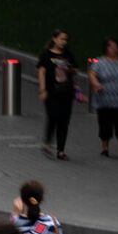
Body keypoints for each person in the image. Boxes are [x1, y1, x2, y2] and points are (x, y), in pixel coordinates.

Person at [89, 38, 118, 158]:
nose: (114, 49)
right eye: (111, 46)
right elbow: (92, 74)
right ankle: (105, 148)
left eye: (115, 46)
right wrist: (96, 84)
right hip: (105, 100)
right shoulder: (99, 62)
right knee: (105, 125)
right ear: (106, 48)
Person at [37, 29, 78, 161]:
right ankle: (48, 143)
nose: (63, 42)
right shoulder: (46, 54)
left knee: (64, 121)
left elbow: (75, 69)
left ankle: (61, 150)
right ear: (54, 39)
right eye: (61, 39)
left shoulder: (67, 54)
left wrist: (68, 68)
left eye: (65, 39)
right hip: (51, 91)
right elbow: (42, 72)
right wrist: (42, 90)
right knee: (53, 116)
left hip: (66, 91)